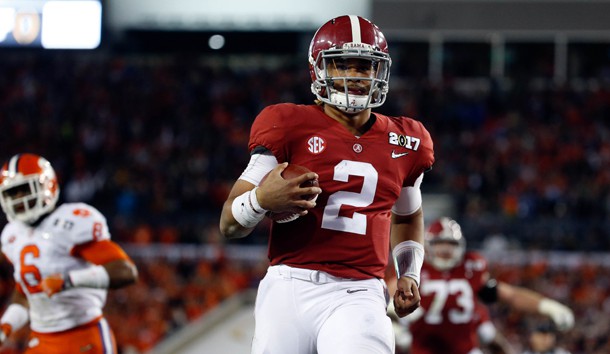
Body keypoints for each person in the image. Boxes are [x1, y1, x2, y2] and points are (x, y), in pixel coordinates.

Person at [219, 15, 435, 354]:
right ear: (318, 70)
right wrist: (261, 199)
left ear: (380, 72)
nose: (355, 76)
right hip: (289, 284)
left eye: (364, 67)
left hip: (360, 289)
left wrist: (409, 273)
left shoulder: (407, 140)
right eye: (341, 66)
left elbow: (407, 216)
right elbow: (229, 224)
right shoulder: (288, 125)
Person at [0, 153, 138, 354]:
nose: (19, 199)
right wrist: (6, 325)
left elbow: (125, 272)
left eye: (24, 190)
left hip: (82, 335)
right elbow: (25, 291)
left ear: (47, 186)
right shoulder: (12, 235)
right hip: (41, 340)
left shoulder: (70, 222)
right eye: (12, 193)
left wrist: (68, 280)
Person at [387, 217, 574, 354]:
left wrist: (546, 306)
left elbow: (509, 295)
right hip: (423, 349)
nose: (445, 250)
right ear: (428, 245)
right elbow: (383, 298)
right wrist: (395, 327)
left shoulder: (472, 267)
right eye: (440, 243)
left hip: (465, 348)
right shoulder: (415, 268)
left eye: (450, 244)